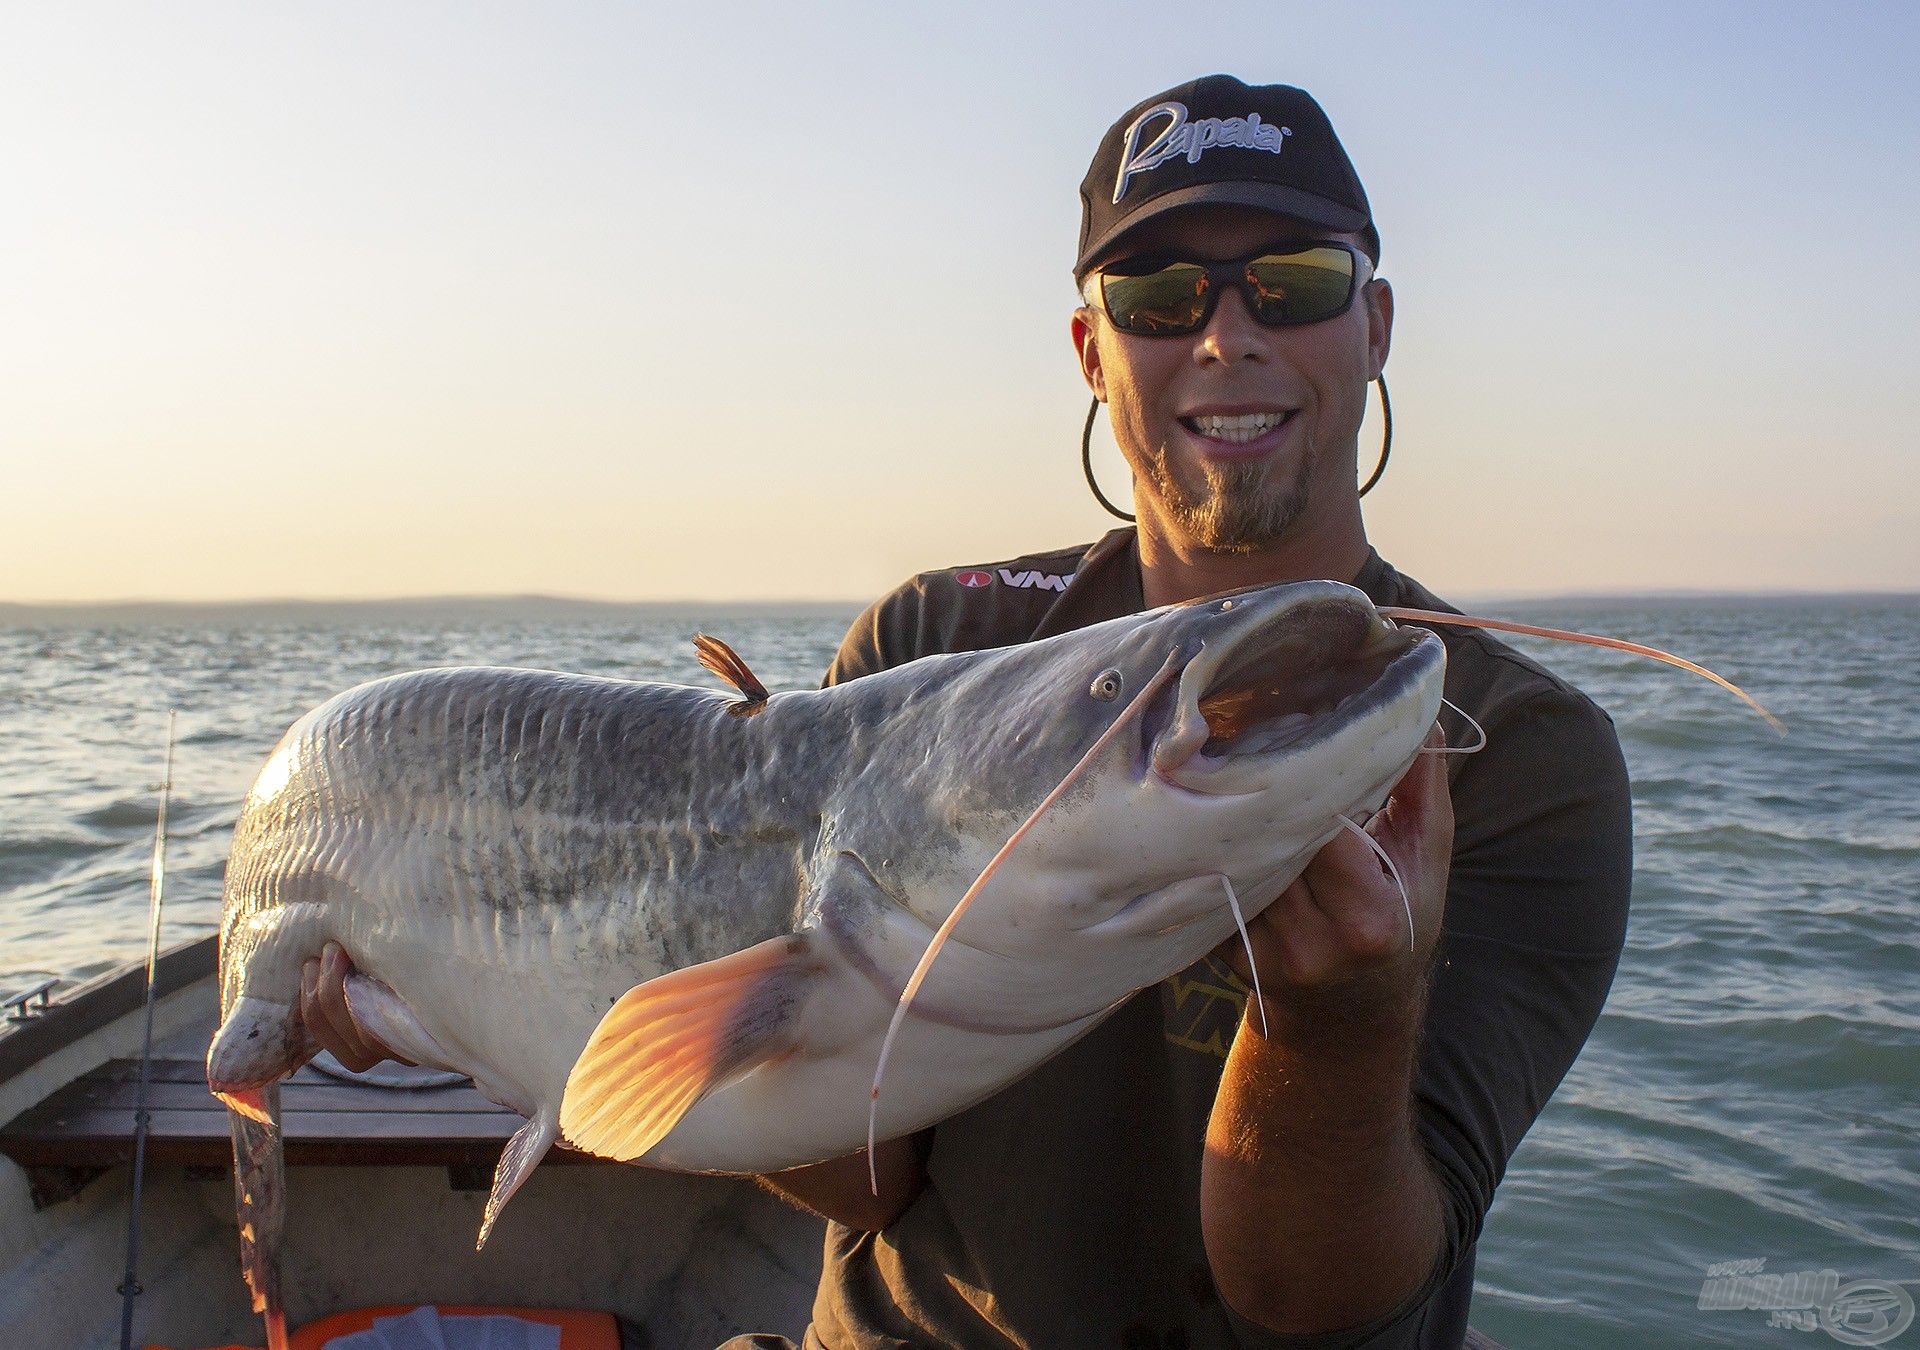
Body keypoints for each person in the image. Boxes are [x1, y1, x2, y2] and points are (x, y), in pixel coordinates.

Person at [303, 76, 1632, 1349]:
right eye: (1159, 294)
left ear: (1378, 325)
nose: (1228, 336)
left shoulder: (1520, 750)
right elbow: (867, 1180)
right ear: (1090, 352)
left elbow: (1313, 1297)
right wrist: (492, 1002)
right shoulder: (929, 645)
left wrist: (1342, 1022)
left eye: (1292, 283)